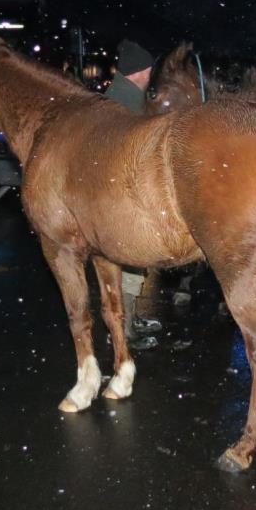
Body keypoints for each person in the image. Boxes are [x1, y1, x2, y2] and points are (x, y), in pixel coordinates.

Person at [104, 38, 162, 349]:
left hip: (119, 196)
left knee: (132, 263)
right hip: (122, 199)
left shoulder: (118, 98)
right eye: (150, 71)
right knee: (127, 262)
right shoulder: (126, 105)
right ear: (142, 72)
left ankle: (129, 318)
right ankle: (124, 330)